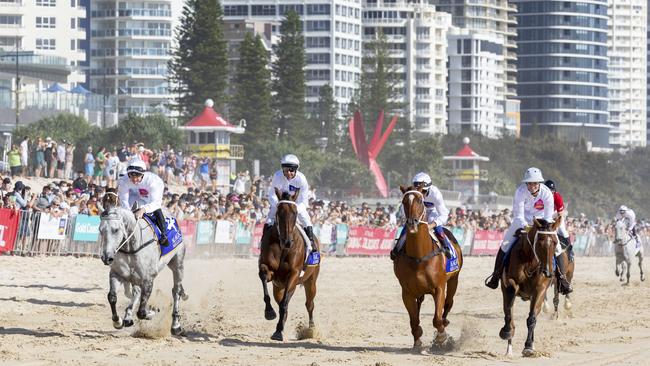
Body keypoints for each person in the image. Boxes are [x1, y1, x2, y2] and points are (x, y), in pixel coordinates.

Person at [484, 167, 573, 295]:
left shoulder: (547, 193)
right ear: (526, 183)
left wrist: (541, 227)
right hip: (522, 221)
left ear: (539, 183)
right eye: (530, 183)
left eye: (535, 183)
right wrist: (528, 227)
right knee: (505, 244)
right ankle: (496, 275)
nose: (532, 186)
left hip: (542, 222)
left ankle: (562, 279)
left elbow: (548, 216)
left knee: (557, 247)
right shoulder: (520, 192)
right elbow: (519, 215)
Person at [262, 154, 319, 261]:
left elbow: (304, 200)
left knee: (306, 219)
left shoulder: (301, 179)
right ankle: (263, 243)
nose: (288, 173)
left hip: (296, 205)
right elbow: (272, 195)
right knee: (270, 218)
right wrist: (278, 205)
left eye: (291, 170)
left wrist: (295, 209)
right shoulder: (277, 176)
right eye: (286, 170)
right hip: (280, 204)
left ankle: (312, 246)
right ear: (282, 169)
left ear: (296, 170)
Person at [389, 172, 453, 260]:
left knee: (434, 223)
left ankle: (446, 247)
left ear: (429, 188)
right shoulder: (411, 194)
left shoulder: (436, 194)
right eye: (419, 190)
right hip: (418, 213)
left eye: (424, 191)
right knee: (407, 227)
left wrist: (432, 225)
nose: (421, 194)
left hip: (433, 211)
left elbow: (444, 214)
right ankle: (397, 249)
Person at [117, 158, 169, 246]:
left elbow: (156, 203)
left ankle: (164, 234)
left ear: (143, 174)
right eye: (131, 176)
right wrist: (128, 214)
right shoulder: (124, 180)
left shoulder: (153, 181)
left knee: (156, 209)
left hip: (151, 196)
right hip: (136, 194)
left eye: (137, 176)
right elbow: (124, 201)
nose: (134, 179)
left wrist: (143, 210)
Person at [545, 180, 574, 262]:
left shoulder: (557, 196)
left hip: (555, 214)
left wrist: (556, 224)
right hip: (543, 215)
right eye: (548, 190)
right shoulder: (540, 196)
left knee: (563, 231)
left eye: (552, 190)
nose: (550, 192)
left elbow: (560, 213)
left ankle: (570, 251)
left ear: (554, 190)